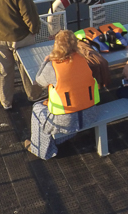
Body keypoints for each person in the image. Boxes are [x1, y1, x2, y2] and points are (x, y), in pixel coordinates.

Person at [25, 31, 101, 159]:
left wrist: (46, 61)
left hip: (69, 120)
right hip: (90, 114)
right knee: (56, 109)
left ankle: (40, 150)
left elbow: (38, 81)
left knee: (37, 109)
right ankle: (61, 138)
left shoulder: (52, 67)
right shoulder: (83, 60)